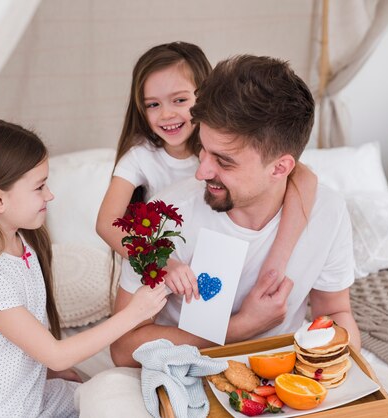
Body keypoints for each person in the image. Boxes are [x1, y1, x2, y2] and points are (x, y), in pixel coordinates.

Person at [111, 55, 361, 368]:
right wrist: (242, 327)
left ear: (281, 167)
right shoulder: (165, 218)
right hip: (183, 369)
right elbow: (122, 349)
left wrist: (340, 375)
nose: (201, 172)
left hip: (279, 374)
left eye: (224, 161)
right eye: (202, 149)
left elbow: (335, 313)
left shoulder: (327, 211)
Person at [0, 118, 167, 417]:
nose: (50, 195)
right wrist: (135, 314)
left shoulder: (21, 245)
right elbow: (55, 354)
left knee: (112, 391)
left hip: (28, 396)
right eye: (40, 187)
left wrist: (51, 372)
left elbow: (35, 346)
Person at [96, 42, 318, 302]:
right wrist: (161, 264)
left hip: (219, 255)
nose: (166, 114)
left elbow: (304, 177)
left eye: (179, 100)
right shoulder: (140, 157)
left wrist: (277, 261)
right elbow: (106, 223)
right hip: (167, 264)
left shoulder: (223, 143)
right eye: (153, 105)